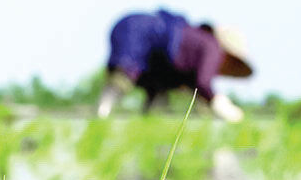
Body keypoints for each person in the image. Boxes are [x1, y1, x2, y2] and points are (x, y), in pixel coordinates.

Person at [95, 9, 253, 122]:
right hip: (135, 32)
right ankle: (101, 116)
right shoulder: (211, 47)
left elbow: (195, 87)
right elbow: (203, 83)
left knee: (157, 97)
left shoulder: (197, 45)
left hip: (151, 56)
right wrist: (221, 104)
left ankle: (146, 130)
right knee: (122, 80)